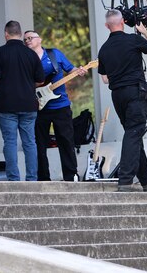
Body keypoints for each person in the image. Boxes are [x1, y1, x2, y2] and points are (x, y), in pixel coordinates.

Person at [97, 10, 147, 192]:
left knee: (133, 134)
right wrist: (145, 32)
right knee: (133, 133)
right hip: (135, 91)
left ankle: (144, 180)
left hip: (118, 94)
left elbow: (105, 79)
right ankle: (125, 180)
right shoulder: (133, 40)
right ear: (122, 22)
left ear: (107, 26)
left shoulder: (103, 49)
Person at [0, 20, 45, 181]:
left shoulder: (0, 53)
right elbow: (40, 79)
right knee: (30, 143)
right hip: (29, 105)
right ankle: (32, 179)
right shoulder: (31, 54)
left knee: (10, 142)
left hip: (7, 106)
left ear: (6, 34)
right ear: (20, 34)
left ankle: (13, 179)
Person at [24, 30, 88, 181]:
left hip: (60, 106)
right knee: (39, 144)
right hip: (38, 107)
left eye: (30, 38)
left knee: (66, 141)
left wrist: (79, 71)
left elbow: (70, 69)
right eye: (25, 39)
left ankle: (71, 175)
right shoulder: (26, 59)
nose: (27, 41)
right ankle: (43, 178)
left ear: (39, 40)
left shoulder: (55, 54)